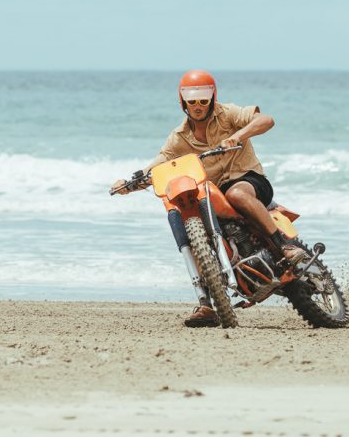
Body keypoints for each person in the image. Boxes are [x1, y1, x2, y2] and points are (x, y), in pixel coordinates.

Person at [110, 69, 305, 327]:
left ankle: (284, 247)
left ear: (212, 98)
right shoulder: (178, 138)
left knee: (236, 192)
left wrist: (237, 136)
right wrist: (129, 183)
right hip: (210, 195)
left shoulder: (228, 114)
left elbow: (266, 120)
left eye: (203, 99)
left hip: (248, 180)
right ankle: (206, 303)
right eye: (192, 99)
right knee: (185, 219)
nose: (198, 105)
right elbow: (158, 165)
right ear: (182, 101)